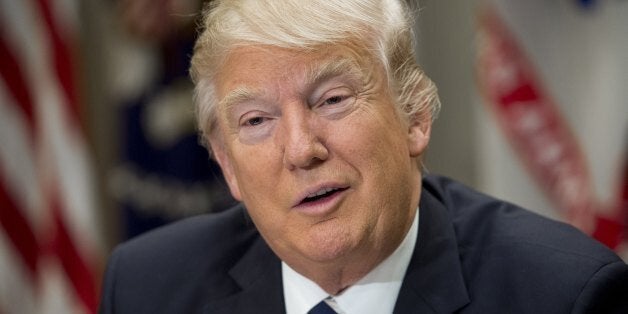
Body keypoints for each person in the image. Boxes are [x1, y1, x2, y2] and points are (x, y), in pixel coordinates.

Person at [99, 0, 628, 313]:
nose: (302, 150)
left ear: (415, 115)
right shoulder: (149, 288)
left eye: (332, 100)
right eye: (257, 121)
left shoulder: (564, 297)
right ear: (227, 165)